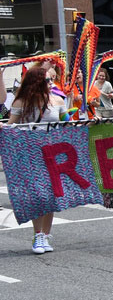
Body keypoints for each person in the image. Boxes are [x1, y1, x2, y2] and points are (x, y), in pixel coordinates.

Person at [7, 67, 66, 254]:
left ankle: (46, 235)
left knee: (51, 195)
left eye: (52, 80)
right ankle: (37, 234)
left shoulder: (57, 100)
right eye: (47, 81)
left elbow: (68, 122)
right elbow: (11, 126)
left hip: (53, 152)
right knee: (37, 195)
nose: (51, 84)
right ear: (36, 82)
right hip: (30, 154)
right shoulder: (22, 102)